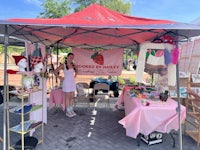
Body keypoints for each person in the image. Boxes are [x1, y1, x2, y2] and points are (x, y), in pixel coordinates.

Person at [54, 53, 77, 117]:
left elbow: (77, 71)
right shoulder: (63, 65)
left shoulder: (73, 65)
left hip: (72, 82)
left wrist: (75, 76)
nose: (71, 58)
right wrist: (59, 77)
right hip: (66, 82)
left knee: (72, 96)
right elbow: (55, 71)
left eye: (72, 57)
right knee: (68, 97)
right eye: (70, 57)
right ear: (67, 57)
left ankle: (71, 109)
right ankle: (68, 111)